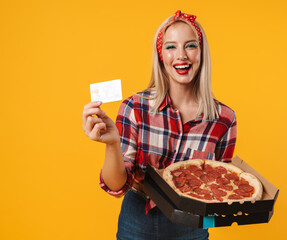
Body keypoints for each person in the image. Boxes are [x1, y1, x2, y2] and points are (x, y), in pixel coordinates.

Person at [82, 10, 237, 240]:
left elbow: (219, 186)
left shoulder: (224, 118)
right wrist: (113, 143)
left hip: (192, 226)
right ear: (160, 55)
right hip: (137, 219)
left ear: (201, 53)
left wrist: (212, 221)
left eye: (191, 46)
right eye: (171, 47)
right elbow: (116, 187)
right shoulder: (135, 108)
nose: (181, 55)